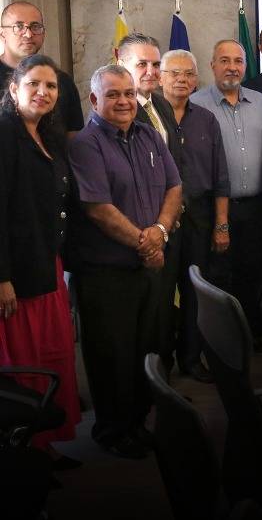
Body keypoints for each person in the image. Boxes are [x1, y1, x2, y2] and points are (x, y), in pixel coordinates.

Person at [68, 65, 181, 459]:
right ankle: (112, 431)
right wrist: (145, 242)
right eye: (113, 94)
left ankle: (136, 422)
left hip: (148, 265)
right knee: (111, 354)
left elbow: (174, 186)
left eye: (129, 94)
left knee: (144, 348)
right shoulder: (85, 144)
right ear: (94, 100)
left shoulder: (149, 134)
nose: (123, 101)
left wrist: (161, 233)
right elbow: (98, 208)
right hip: (106, 272)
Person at [0, 54, 80, 468]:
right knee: (25, 361)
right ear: (14, 88)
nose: (43, 92)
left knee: (52, 353)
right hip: (15, 273)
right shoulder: (4, 133)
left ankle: (44, 444)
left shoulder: (47, 134)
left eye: (51, 86)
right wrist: (2, 278)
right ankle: (23, 452)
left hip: (46, 262)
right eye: (34, 84)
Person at [191, 40, 262, 357]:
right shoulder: (195, 104)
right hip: (214, 210)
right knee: (219, 277)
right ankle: (221, 347)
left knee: (254, 275)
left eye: (238, 61)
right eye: (224, 60)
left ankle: (250, 337)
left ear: (246, 66)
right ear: (212, 65)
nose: (232, 67)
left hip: (256, 207)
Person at [158, 50, 230, 383]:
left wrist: (221, 224)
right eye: (174, 73)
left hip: (200, 215)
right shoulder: (147, 118)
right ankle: (160, 363)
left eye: (188, 74)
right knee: (160, 294)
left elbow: (220, 178)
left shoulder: (206, 119)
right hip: (159, 217)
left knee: (194, 291)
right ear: (160, 77)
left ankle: (190, 358)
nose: (182, 80)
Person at [117, 33, 185, 363]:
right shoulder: (118, 111)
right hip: (140, 233)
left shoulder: (160, 104)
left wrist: (167, 223)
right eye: (141, 63)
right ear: (121, 64)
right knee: (142, 321)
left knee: (162, 313)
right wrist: (152, 234)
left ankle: (163, 386)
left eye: (156, 64)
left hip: (167, 225)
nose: (150, 71)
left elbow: (173, 170)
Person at [0, 1, 83, 137]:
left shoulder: (62, 81)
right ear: (2, 34)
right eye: (19, 26)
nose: (28, 34)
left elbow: (72, 139)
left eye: (35, 27)